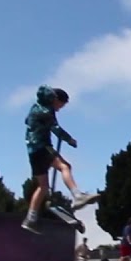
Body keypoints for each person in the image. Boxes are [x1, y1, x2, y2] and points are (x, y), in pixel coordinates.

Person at [22, 85, 98, 233]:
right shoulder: (47, 111)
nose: (60, 109)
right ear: (56, 100)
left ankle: (30, 219)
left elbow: (28, 121)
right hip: (43, 147)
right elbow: (56, 129)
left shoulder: (35, 107)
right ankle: (77, 196)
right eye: (61, 105)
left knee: (43, 186)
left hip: (32, 151)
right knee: (65, 167)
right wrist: (70, 140)